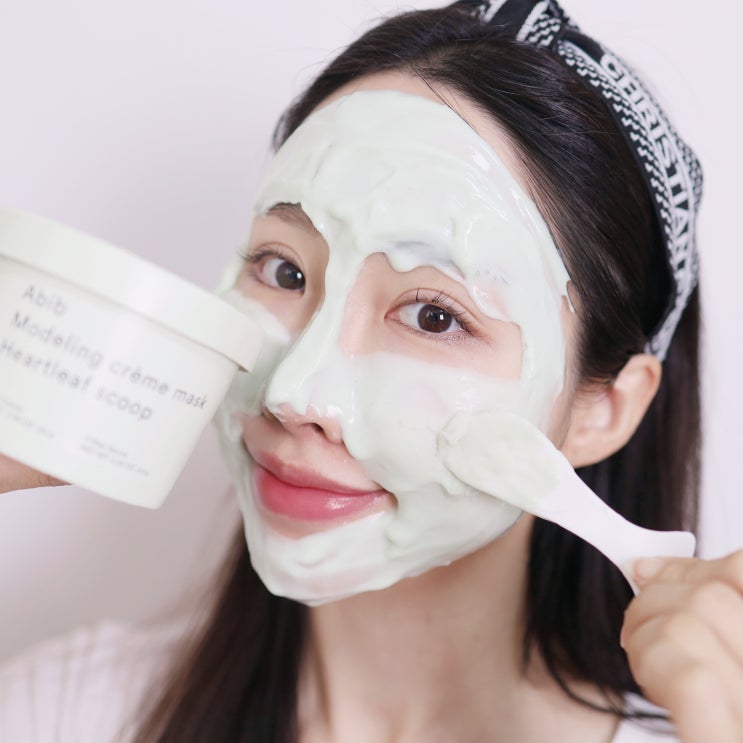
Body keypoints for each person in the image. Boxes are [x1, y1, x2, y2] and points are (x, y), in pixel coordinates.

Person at [1, 1, 742, 742]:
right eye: (284, 271)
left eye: (435, 316)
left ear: (601, 412)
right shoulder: (61, 714)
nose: (293, 394)